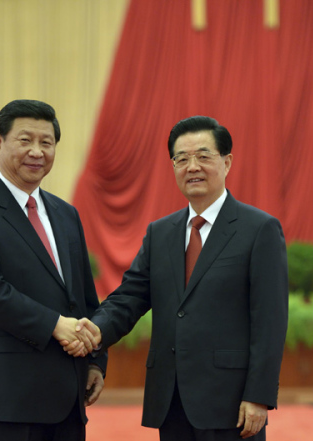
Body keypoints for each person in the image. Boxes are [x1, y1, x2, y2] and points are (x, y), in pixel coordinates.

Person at [66, 116, 288, 440]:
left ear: (227, 162)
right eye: (181, 159)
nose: (192, 166)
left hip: (231, 403)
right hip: (171, 401)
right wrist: (94, 331)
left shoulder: (258, 230)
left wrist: (259, 395)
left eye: (203, 156)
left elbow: (270, 320)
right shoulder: (161, 233)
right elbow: (130, 297)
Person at [0, 99, 105, 441]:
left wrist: (95, 361)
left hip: (68, 400)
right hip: (6, 401)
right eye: (25, 140)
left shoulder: (66, 215)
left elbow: (84, 298)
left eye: (46, 143)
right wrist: (55, 325)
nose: (37, 151)